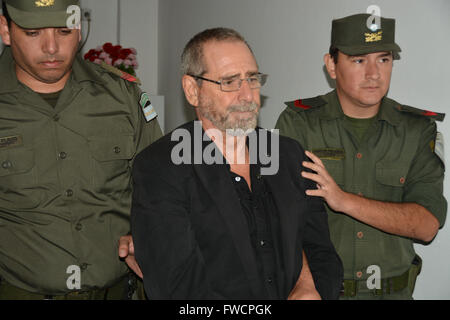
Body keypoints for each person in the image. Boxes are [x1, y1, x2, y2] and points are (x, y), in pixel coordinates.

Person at [131, 27, 343, 300]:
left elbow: (321, 250)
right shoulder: (161, 168)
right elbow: (176, 288)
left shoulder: (289, 156)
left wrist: (310, 289)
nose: (248, 96)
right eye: (229, 82)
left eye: (252, 79)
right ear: (192, 90)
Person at [276, 13, 447, 300]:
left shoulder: (417, 130)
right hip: (320, 292)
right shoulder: (298, 123)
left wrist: (343, 200)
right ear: (332, 65)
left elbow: (427, 225)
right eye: (358, 60)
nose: (374, 74)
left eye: (384, 59)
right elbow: (282, 216)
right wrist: (304, 284)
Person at [0, 0, 162, 299]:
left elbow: (162, 187)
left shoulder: (121, 96)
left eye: (64, 30)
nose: (51, 47)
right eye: (34, 32)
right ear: (5, 30)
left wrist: (147, 233)